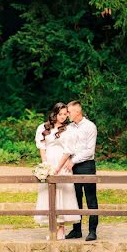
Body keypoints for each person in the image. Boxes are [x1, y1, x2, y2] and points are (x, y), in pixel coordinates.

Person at [35, 102, 81, 239]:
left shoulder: (69, 130)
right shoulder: (43, 127)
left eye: (65, 114)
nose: (62, 117)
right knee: (49, 195)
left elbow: (68, 151)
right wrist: (45, 165)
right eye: (60, 114)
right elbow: (42, 147)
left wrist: (58, 168)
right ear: (54, 114)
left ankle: (61, 228)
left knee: (63, 193)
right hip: (49, 163)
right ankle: (52, 227)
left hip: (62, 164)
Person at [64, 101, 98, 240]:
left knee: (91, 198)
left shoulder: (90, 127)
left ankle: (92, 231)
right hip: (72, 166)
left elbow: (89, 151)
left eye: (69, 112)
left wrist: (73, 160)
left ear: (77, 112)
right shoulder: (69, 128)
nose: (67, 115)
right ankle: (76, 230)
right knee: (75, 197)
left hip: (86, 165)